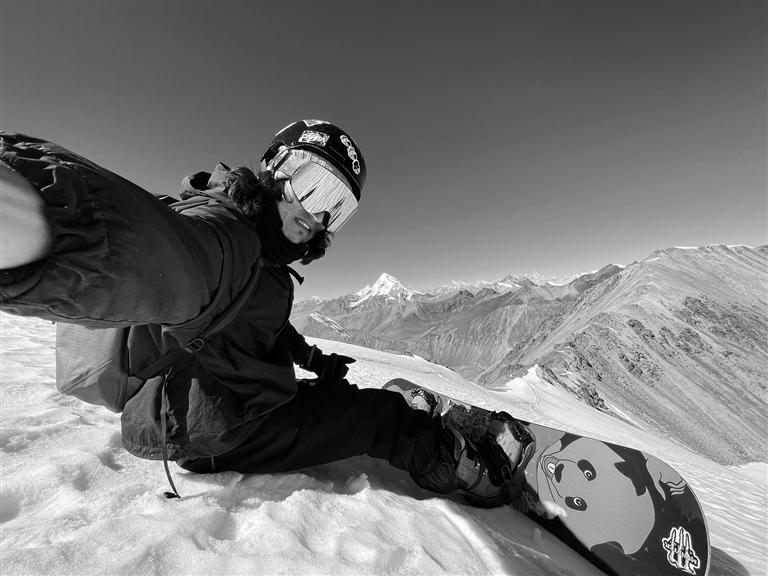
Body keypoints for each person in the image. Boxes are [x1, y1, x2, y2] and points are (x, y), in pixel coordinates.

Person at [0, 121, 510, 506]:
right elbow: (152, 252)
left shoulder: (259, 257)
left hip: (208, 411)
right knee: (382, 417)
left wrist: (314, 359)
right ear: (275, 171)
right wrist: (32, 220)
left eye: (337, 206)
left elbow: (260, 324)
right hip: (210, 431)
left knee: (341, 400)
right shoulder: (224, 237)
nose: (317, 214)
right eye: (312, 185)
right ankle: (473, 473)